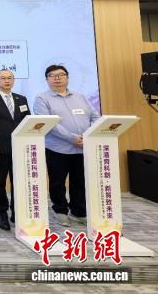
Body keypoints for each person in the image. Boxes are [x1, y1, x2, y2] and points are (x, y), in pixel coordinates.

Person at [34, 64, 100, 227]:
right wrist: (72, 138)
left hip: (82, 148)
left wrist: (88, 136)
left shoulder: (80, 97)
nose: (57, 78)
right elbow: (49, 124)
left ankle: (78, 211)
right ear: (47, 79)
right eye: (52, 75)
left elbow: (95, 117)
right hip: (57, 148)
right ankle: (60, 211)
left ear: (67, 77)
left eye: (61, 75)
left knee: (80, 182)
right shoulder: (42, 99)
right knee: (57, 182)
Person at [0, 69, 30, 231]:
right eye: (3, 78)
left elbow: (28, 121)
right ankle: (2, 214)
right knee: (0, 182)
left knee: (19, 181)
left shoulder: (21, 99)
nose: (7, 81)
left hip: (20, 147)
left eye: (9, 78)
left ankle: (17, 212)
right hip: (0, 148)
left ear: (13, 80)